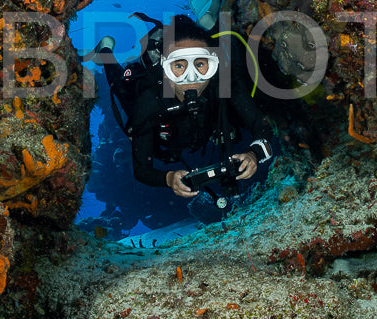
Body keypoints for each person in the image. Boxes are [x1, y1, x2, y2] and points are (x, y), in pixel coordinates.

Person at [91, 14, 275, 224]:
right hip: (165, 137)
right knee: (123, 88)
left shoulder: (225, 84)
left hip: (205, 131)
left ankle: (203, 26)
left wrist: (253, 154)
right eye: (179, 66)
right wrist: (168, 179)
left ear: (213, 64)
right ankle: (105, 51)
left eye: (200, 64)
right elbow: (141, 170)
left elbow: (262, 126)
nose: (191, 78)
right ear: (165, 70)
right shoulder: (151, 99)